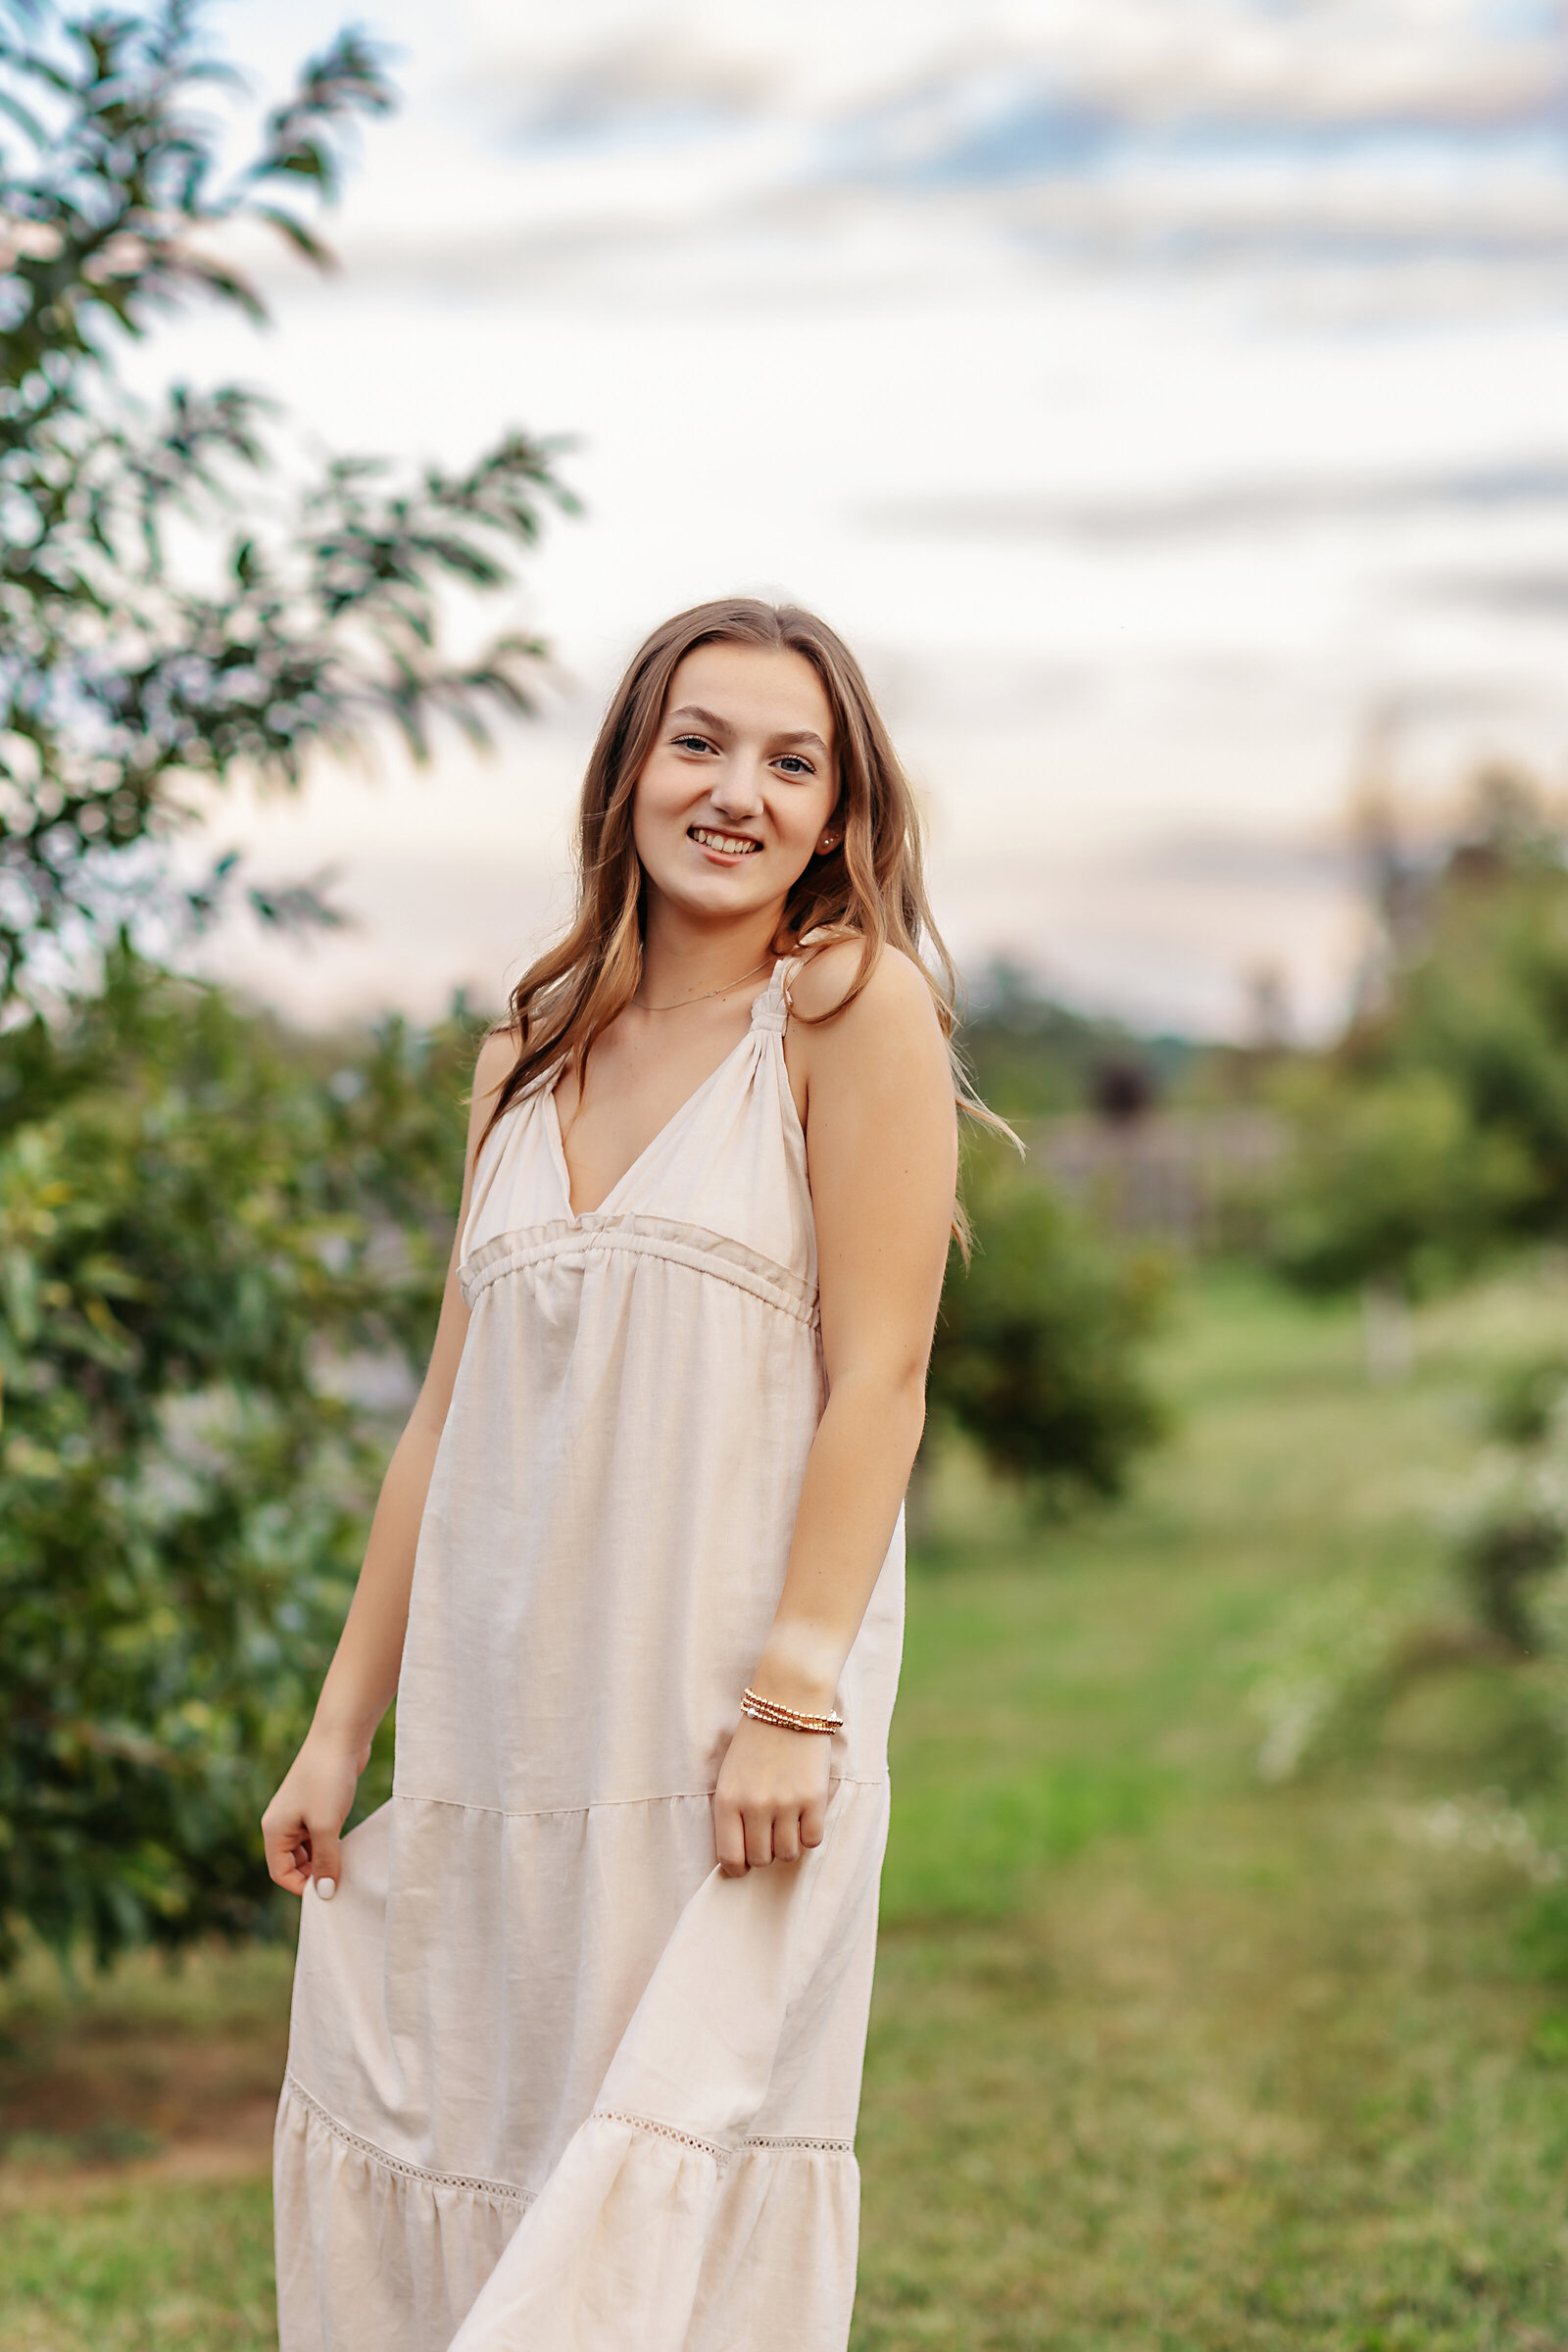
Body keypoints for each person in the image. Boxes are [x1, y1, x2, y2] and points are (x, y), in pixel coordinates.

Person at [263, 597, 962, 2352]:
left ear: (838, 812)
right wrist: (342, 1731)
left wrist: (795, 1694)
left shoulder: (848, 1013)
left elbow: (882, 1374)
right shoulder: (526, 1049)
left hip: (727, 1731)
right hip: (506, 1730)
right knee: (492, 2154)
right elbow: (447, 1411)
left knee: (677, 2185)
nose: (739, 790)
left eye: (792, 761)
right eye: (701, 741)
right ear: (630, 771)